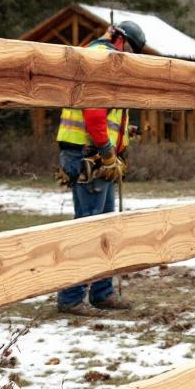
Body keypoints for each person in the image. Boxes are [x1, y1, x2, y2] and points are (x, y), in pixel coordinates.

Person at [55, 21, 146, 315]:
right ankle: (70, 298)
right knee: (90, 227)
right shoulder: (100, 58)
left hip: (94, 151)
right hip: (88, 154)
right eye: (128, 50)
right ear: (119, 39)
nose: (128, 57)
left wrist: (123, 133)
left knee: (105, 225)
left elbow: (105, 114)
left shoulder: (105, 58)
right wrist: (107, 151)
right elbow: (94, 114)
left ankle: (101, 292)